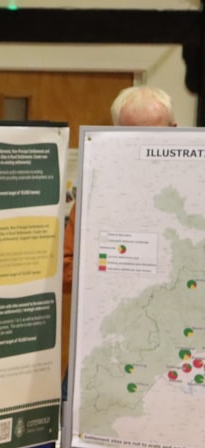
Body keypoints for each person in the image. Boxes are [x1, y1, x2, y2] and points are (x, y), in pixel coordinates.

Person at [61, 84, 176, 399]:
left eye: (154, 137)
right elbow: (67, 268)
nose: (144, 148)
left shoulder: (195, 191)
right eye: (131, 137)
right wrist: (120, 273)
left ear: (175, 130)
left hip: (177, 344)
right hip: (104, 346)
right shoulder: (96, 190)